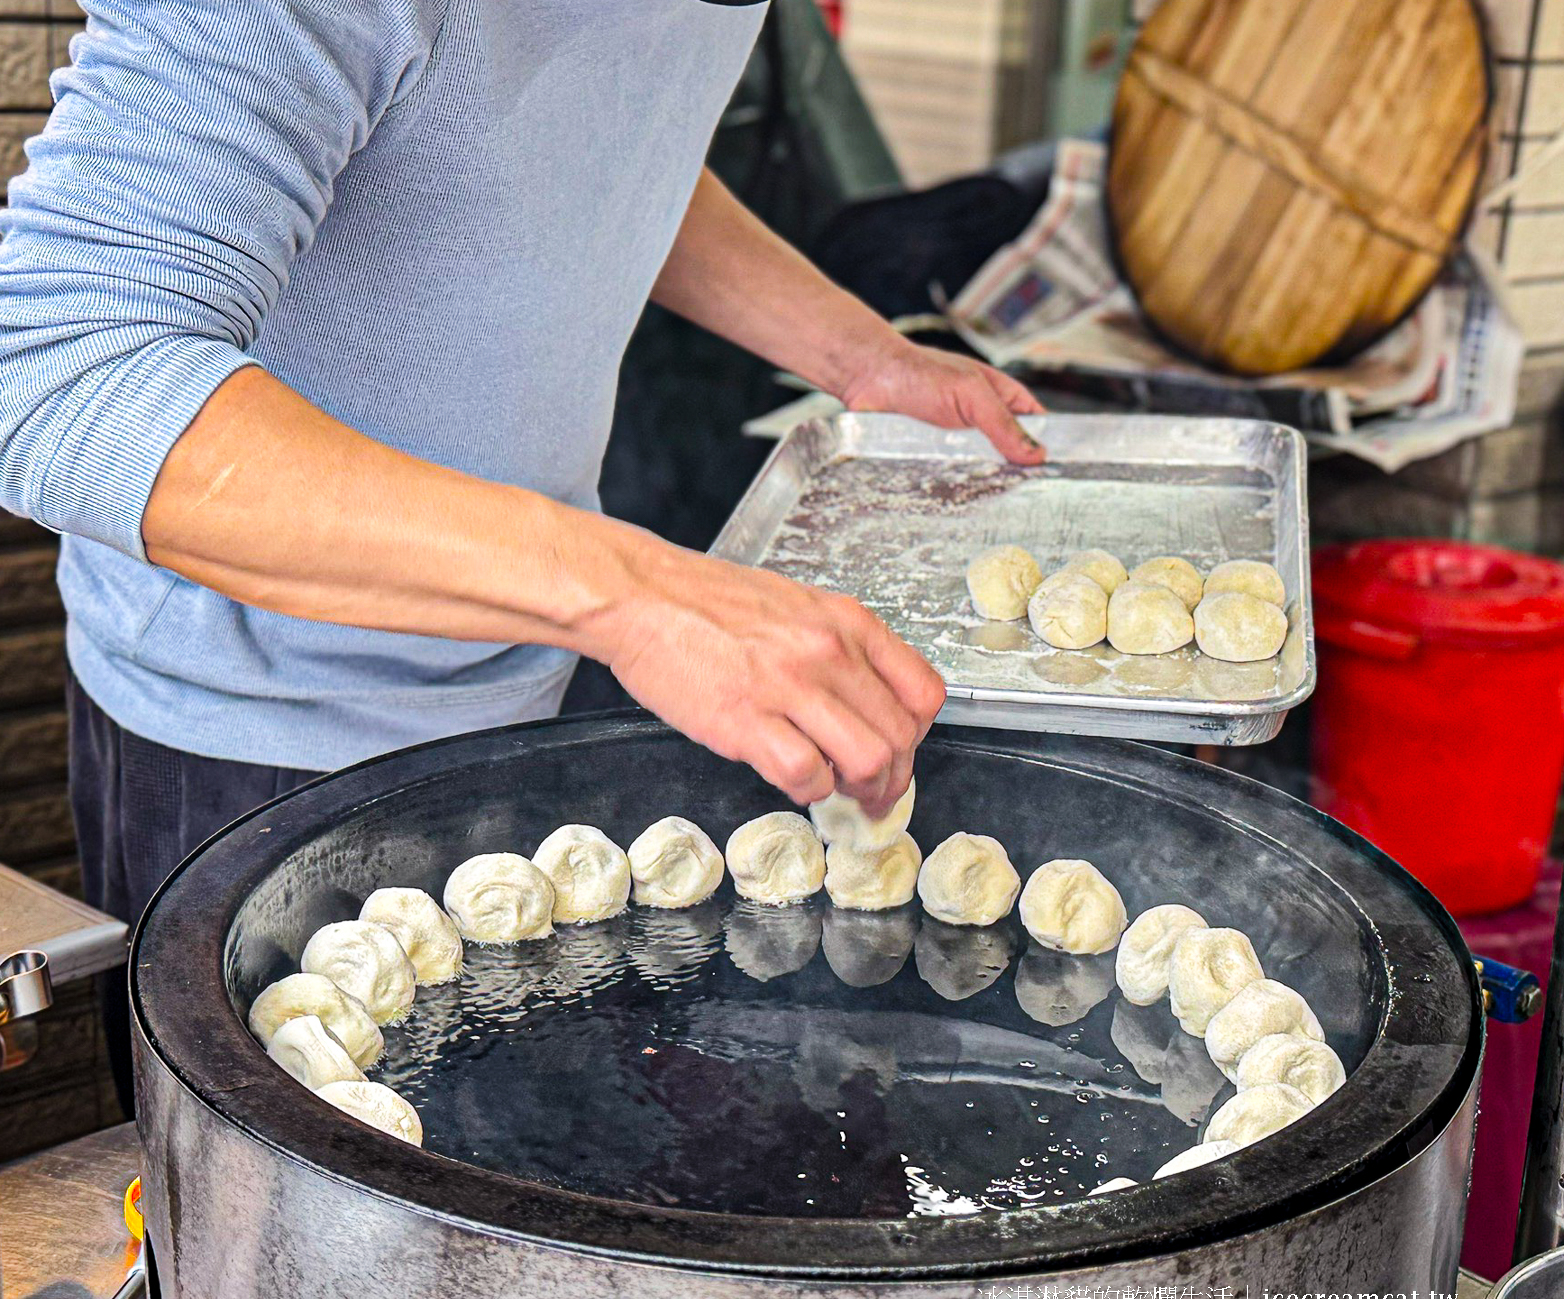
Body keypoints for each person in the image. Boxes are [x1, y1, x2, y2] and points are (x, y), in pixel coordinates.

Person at [0, 1, 1045, 1105]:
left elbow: (590, 142)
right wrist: (639, 594)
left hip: (524, 660)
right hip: (256, 742)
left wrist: (859, 353)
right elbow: (62, 370)